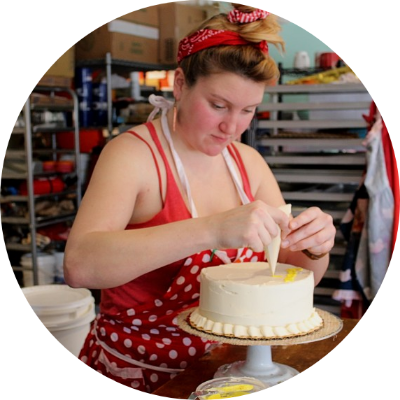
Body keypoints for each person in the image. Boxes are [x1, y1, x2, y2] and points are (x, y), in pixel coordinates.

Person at [64, 3, 336, 392]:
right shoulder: (133, 156)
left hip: (233, 372)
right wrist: (211, 229)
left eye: (248, 110)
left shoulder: (248, 164)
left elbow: (293, 273)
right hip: (140, 373)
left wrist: (316, 247)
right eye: (218, 105)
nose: (232, 127)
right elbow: (79, 265)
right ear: (180, 84)